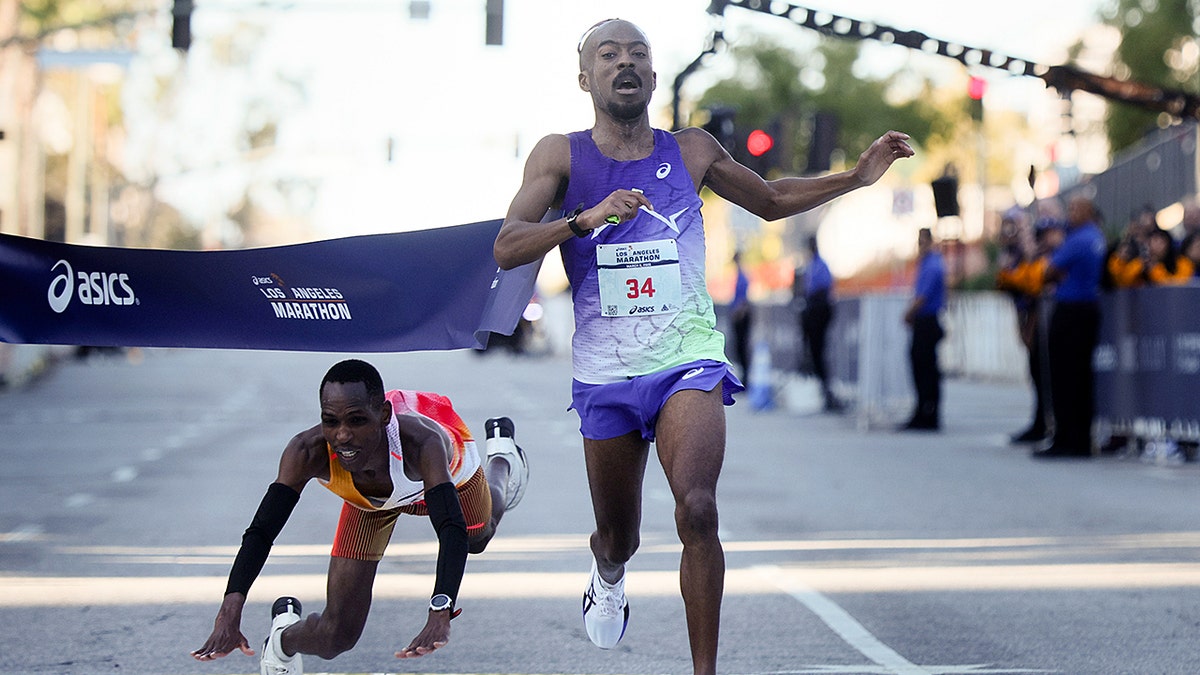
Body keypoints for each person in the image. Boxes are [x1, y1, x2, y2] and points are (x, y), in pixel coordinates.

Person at [491, 18, 912, 675]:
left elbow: (770, 200)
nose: (624, 62)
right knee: (620, 535)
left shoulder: (689, 151)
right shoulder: (560, 157)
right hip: (605, 374)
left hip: (686, 359)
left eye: (638, 54)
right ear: (585, 78)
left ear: (653, 77)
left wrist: (856, 177)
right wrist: (584, 218)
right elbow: (507, 242)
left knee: (698, 506)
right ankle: (607, 569)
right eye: (609, 55)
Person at [191, 359, 529, 674]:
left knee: (477, 538)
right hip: (369, 504)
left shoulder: (422, 442)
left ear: (383, 415)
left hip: (449, 478)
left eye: (356, 421)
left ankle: (501, 457)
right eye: (330, 421)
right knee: (337, 636)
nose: (342, 436)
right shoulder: (306, 451)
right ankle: (281, 640)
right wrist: (230, 609)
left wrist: (440, 611)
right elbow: (262, 531)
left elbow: (449, 528)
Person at [1034, 196, 1107, 459]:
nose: (1071, 213)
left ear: (1088, 211)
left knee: (1065, 377)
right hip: (1087, 310)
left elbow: (1049, 271)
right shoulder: (1095, 237)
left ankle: (1066, 438)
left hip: (1072, 311)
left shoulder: (1079, 239)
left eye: (1076, 208)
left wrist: (1056, 270)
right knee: (1081, 378)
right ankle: (1081, 439)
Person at [996, 212, 1065, 444]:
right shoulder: (1024, 259)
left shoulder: (1049, 259)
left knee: (1045, 373)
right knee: (1035, 373)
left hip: (1043, 319)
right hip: (1028, 315)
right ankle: (1039, 421)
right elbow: (1008, 282)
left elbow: (1035, 286)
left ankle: (1048, 422)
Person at [900, 227, 946, 431]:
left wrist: (908, 313)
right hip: (924, 320)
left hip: (927, 320)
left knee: (926, 369)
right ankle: (923, 410)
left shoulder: (933, 264)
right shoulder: (927, 263)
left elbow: (923, 296)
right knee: (922, 367)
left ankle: (928, 412)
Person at [799, 234, 842, 412]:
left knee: (819, 351)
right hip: (811, 310)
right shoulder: (810, 265)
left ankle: (827, 392)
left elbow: (823, 288)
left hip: (819, 310)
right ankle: (822, 391)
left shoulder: (821, 265)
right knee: (813, 352)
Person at [729, 251, 753, 389]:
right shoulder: (739, 275)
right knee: (739, 348)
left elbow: (743, 299)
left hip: (741, 316)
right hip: (739, 315)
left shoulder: (742, 276)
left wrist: (739, 313)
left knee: (742, 347)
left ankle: (746, 380)